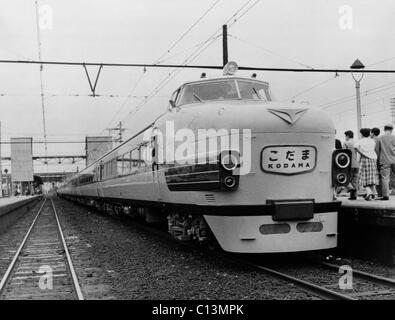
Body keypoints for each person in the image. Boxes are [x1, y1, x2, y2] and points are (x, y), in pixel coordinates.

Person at [354, 128, 379, 201]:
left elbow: (355, 147)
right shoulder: (372, 141)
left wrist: (361, 153)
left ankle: (369, 192)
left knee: (363, 177)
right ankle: (370, 194)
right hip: (373, 159)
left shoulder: (360, 141)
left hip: (365, 160)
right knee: (371, 177)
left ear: (361, 134)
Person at [375, 124, 395, 200]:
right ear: (391, 130)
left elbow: (377, 151)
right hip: (394, 159)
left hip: (384, 161)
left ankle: (386, 195)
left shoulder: (379, 138)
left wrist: (378, 161)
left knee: (385, 178)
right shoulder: (394, 137)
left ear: (384, 129)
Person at [343, 130, 359, 200]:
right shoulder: (357, 142)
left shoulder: (346, 143)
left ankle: (350, 188)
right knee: (354, 180)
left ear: (347, 136)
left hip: (349, 164)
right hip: (357, 164)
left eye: (345, 136)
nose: (345, 137)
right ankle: (354, 196)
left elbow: (343, 154)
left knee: (345, 179)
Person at [370, 127, 382, 197]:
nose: (370, 134)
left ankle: (377, 193)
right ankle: (379, 193)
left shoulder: (374, 141)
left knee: (375, 177)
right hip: (381, 160)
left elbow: (376, 151)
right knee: (379, 177)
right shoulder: (380, 139)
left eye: (371, 133)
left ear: (373, 133)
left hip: (375, 160)